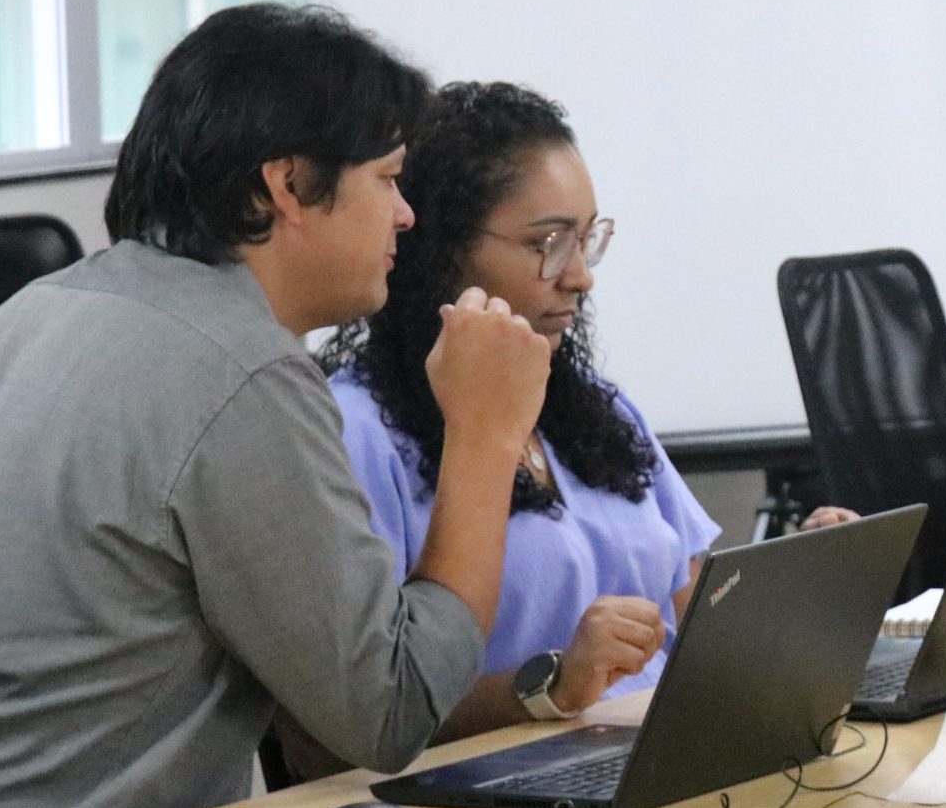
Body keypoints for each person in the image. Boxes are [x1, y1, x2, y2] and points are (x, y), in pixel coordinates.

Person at [0, 4, 551, 808]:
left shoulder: (35, 311)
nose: (405, 214)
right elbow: (389, 712)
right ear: (287, 182)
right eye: (390, 178)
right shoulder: (245, 371)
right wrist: (484, 437)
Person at [313, 82, 848, 749]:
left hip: (666, 752)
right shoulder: (356, 431)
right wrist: (551, 686)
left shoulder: (597, 406)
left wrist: (810, 578)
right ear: (443, 249)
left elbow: (699, 610)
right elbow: (349, 726)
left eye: (587, 239)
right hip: (504, 798)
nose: (580, 276)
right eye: (549, 242)